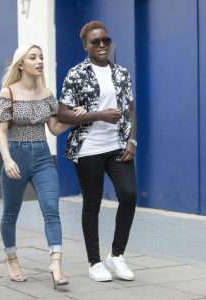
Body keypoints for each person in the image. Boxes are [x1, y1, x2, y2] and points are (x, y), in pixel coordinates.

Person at [0, 44, 86, 288]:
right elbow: (1, 132)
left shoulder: (47, 94)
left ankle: (56, 263)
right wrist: (7, 159)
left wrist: (74, 119)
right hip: (16, 155)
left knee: (51, 209)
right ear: (21, 64)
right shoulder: (7, 93)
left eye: (41, 57)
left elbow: (54, 129)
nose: (40, 61)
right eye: (33, 57)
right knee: (11, 213)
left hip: (43, 156)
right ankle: (12, 258)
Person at [58, 21, 137, 282]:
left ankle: (116, 255)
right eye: (96, 42)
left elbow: (130, 110)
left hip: (117, 147)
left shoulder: (122, 73)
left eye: (106, 40)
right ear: (86, 46)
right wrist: (99, 115)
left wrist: (132, 140)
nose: (102, 45)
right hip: (89, 148)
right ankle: (94, 262)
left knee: (128, 195)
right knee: (92, 204)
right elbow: (62, 114)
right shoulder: (76, 73)